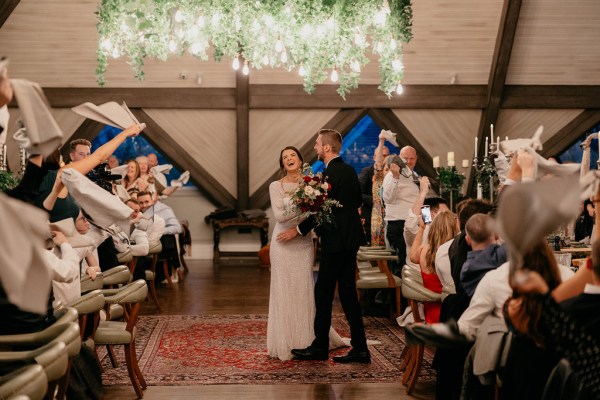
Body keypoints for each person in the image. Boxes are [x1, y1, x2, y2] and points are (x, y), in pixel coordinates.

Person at [278, 129, 369, 364]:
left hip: (336, 243)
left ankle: (319, 347)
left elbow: (321, 210)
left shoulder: (330, 174)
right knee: (348, 295)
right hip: (350, 242)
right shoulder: (349, 171)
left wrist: (297, 230)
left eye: (318, 144)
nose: (316, 148)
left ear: (327, 148)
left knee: (323, 294)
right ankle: (360, 348)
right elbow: (357, 202)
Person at [266, 146, 346, 360]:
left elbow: (318, 213)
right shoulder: (276, 186)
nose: (289, 159)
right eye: (285, 157)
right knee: (283, 289)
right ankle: (284, 340)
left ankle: (307, 339)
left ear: (300, 160)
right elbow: (280, 217)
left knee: (304, 288)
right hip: (281, 242)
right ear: (282, 164)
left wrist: (310, 201)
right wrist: (305, 202)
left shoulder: (313, 183)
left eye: (292, 155)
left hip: (302, 241)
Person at [382, 146, 420, 275]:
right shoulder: (391, 176)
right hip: (398, 225)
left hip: (414, 226)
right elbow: (387, 198)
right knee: (401, 265)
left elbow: (420, 201)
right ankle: (398, 295)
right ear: (399, 158)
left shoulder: (415, 176)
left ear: (416, 159)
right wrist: (396, 177)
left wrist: (428, 222)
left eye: (412, 158)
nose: (409, 161)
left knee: (413, 262)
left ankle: (412, 292)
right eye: (405, 158)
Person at [358, 135, 390, 244]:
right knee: (375, 250)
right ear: (375, 157)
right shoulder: (369, 172)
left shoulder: (393, 176)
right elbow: (358, 193)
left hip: (389, 218)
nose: (383, 158)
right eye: (381, 155)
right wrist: (376, 200)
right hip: (372, 216)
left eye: (386, 156)